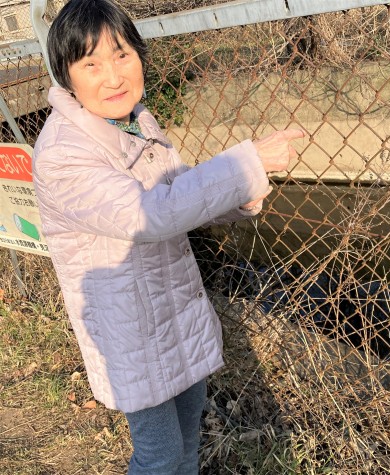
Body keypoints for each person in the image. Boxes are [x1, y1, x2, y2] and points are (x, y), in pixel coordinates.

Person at [32, 0, 304, 473]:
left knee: (189, 440)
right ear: (66, 76)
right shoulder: (63, 152)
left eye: (122, 55)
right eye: (91, 64)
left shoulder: (136, 121)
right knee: (160, 457)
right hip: (131, 332)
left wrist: (239, 200)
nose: (113, 77)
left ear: (140, 56)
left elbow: (177, 192)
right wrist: (246, 164)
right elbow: (150, 215)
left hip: (174, 311)